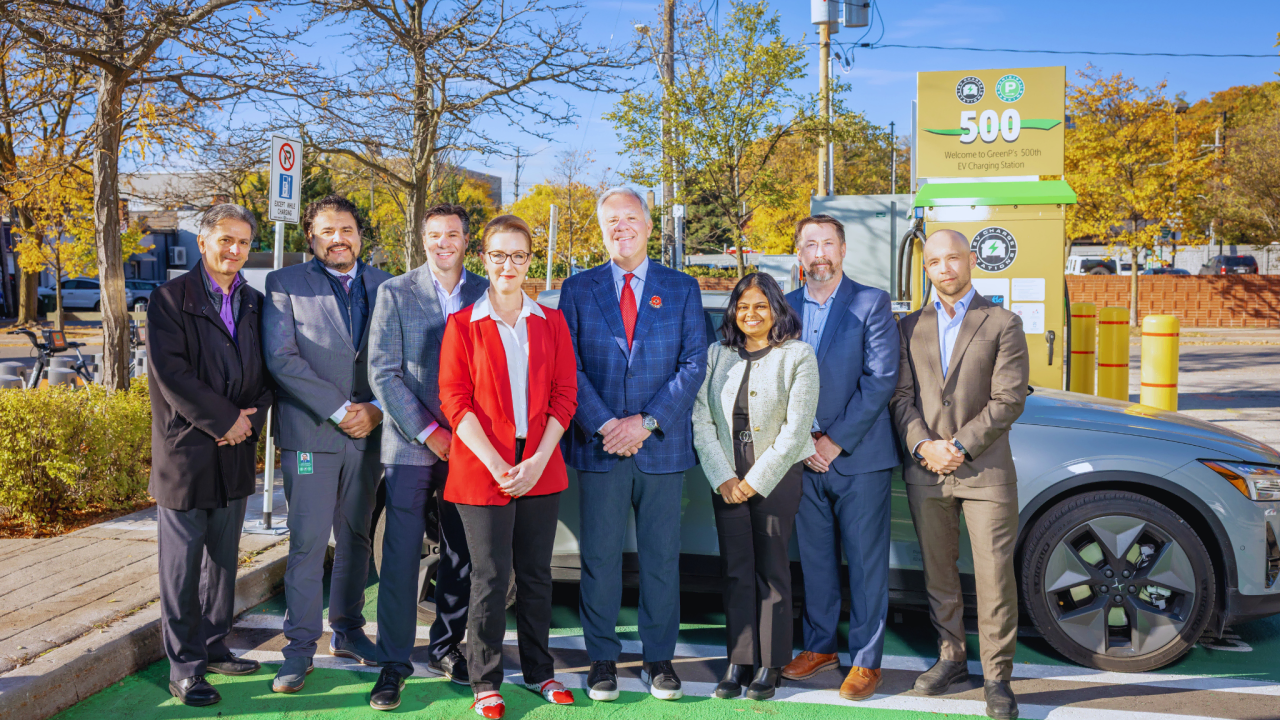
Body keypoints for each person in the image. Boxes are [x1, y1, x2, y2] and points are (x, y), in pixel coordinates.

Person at [558, 186, 707, 701]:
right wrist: (605, 425)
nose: (621, 227)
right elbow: (568, 367)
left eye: (630, 218)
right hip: (600, 448)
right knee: (599, 557)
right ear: (601, 230)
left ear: (649, 225)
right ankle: (602, 659)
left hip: (661, 448)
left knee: (661, 559)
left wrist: (645, 422)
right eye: (610, 221)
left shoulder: (681, 287)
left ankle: (659, 658)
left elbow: (694, 364)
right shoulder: (577, 289)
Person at [438, 215, 579, 719]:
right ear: (484, 259)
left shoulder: (552, 322)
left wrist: (538, 457)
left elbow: (565, 397)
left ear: (529, 261)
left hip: (541, 462)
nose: (508, 265)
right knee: (491, 577)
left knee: (538, 576)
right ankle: (485, 679)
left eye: (518, 255)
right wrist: (499, 462)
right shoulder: (462, 325)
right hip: (483, 467)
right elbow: (455, 402)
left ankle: (541, 672)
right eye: (499, 255)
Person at [889, 229, 1029, 720]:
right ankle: (951, 659)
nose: (945, 269)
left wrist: (959, 446)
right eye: (934, 262)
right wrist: (923, 444)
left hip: (984, 472)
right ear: (924, 268)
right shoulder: (907, 328)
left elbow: (1008, 399)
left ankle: (998, 677)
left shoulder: (1003, 322)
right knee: (939, 574)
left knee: (993, 578)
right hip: (926, 469)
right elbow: (900, 398)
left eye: (953, 258)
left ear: (971, 260)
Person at [262, 194, 393, 692]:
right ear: (310, 238)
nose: (338, 239)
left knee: (357, 539)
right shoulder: (284, 284)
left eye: (346, 230)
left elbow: (397, 359)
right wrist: (341, 410)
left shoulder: (386, 285)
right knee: (308, 544)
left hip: (369, 435)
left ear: (359, 234)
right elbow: (282, 359)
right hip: (312, 437)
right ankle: (298, 649)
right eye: (326, 231)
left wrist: (376, 410)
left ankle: (349, 631)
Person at [147, 204, 273, 706]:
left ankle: (215, 644)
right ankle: (184, 668)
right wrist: (226, 421)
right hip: (187, 454)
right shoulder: (170, 299)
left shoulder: (253, 302)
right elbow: (173, 376)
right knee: (181, 568)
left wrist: (249, 421)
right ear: (202, 242)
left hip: (236, 453)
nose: (234, 251)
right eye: (225, 240)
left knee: (222, 561)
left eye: (242, 242)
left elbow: (268, 375)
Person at [367, 204, 489, 710]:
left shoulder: (486, 291)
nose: (444, 242)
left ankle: (446, 647)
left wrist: (470, 434)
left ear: (466, 240)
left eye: (453, 235)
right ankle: (394, 664)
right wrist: (429, 431)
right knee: (398, 556)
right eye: (435, 235)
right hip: (411, 445)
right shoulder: (394, 292)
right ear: (423, 239)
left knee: (461, 554)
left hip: (470, 447)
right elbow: (384, 373)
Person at [780, 215, 901, 701]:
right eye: (809, 245)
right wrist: (802, 441)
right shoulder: (783, 306)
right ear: (798, 254)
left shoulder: (871, 302)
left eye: (827, 243)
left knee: (867, 564)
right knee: (815, 560)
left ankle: (867, 661)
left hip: (858, 458)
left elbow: (880, 379)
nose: (819, 253)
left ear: (843, 249)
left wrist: (833, 442)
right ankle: (820, 647)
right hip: (800, 458)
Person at [691, 273, 819, 701]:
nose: (751, 314)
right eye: (743, 306)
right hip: (726, 473)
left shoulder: (798, 355)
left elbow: (797, 428)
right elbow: (701, 419)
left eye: (760, 306)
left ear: (776, 310)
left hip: (777, 476)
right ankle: (739, 660)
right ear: (733, 312)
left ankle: (770, 664)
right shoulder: (716, 355)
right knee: (735, 571)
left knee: (772, 571)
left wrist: (754, 481)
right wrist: (724, 476)